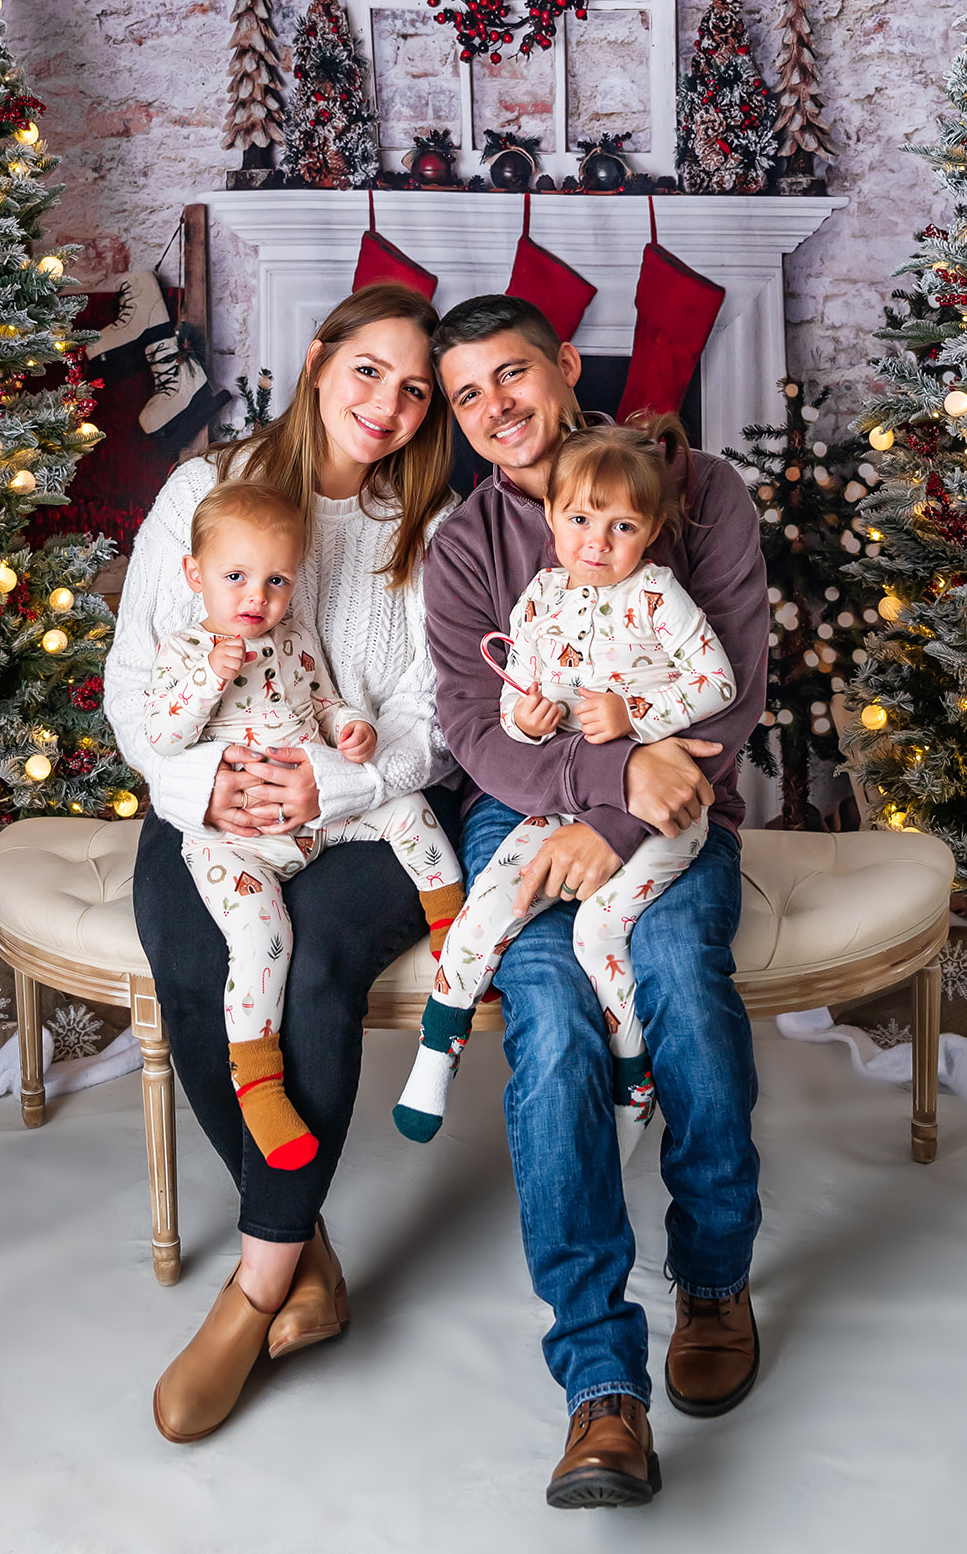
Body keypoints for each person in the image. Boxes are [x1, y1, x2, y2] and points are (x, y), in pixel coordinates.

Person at [422, 295, 768, 1510]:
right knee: (557, 1025)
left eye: (511, 376)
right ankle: (597, 1383)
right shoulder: (466, 545)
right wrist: (600, 777)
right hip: (518, 822)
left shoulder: (695, 488)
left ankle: (714, 1275)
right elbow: (478, 736)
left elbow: (724, 698)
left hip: (675, 820)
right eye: (464, 394)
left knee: (675, 975)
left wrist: (616, 815)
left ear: (564, 367)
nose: (494, 410)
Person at [104, 283, 458, 1444]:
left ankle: (256, 1285)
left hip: (364, 804)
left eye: (413, 389)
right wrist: (203, 785)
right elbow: (134, 680)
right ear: (317, 362)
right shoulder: (203, 493)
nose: (388, 404)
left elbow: (435, 715)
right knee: (193, 949)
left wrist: (343, 780)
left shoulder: (429, 527)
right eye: (369, 371)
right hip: (212, 799)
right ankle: (306, 1250)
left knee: (312, 975)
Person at [393, 418, 735, 1153]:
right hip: (567, 800)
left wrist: (633, 713)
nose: (597, 542)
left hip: (663, 813)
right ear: (550, 518)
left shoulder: (657, 595)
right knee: (491, 901)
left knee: (596, 930)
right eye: (580, 520)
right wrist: (525, 719)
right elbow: (523, 712)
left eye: (622, 527)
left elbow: (717, 682)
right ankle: (436, 1051)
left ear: (649, 533)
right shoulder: (541, 599)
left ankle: (631, 1073)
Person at [146, 479, 465, 1173]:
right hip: (233, 844)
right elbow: (164, 737)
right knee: (264, 938)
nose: (255, 598)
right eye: (235, 578)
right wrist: (206, 679)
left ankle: (454, 932)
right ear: (194, 576)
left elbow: (325, 702)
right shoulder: (183, 650)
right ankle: (257, 1080)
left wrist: (354, 728)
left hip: (315, 817)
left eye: (276, 580)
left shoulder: (292, 638)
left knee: (406, 811)